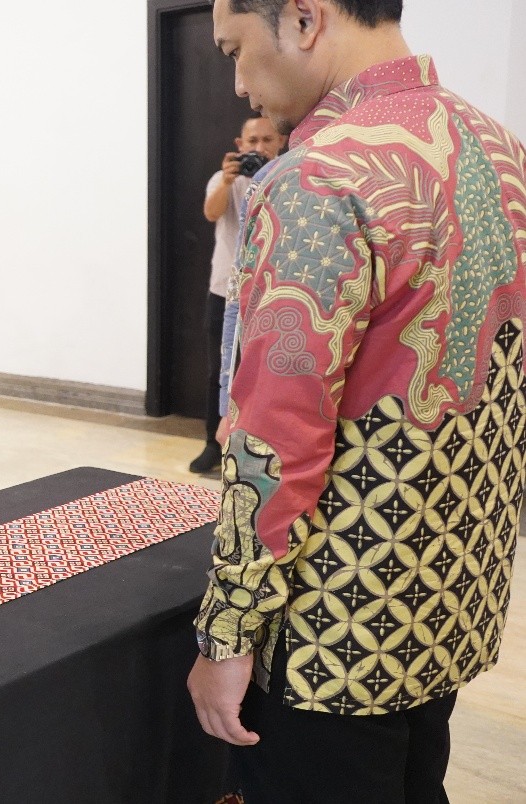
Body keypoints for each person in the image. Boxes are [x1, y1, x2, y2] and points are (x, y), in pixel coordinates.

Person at [188, 1, 526, 801]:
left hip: (334, 630)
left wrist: (227, 634)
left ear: (304, 19)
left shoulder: (316, 177)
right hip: (449, 591)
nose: (238, 85)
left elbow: (275, 442)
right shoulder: (501, 150)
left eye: (235, 51)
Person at [188, 116, 284, 474]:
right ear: (239, 145)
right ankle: (212, 443)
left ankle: (256, 447)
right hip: (224, 290)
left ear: (281, 142)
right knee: (220, 370)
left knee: (264, 371)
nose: (259, 148)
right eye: (252, 141)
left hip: (268, 292)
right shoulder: (223, 179)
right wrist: (229, 181)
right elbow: (211, 213)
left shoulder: (286, 178)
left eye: (267, 140)